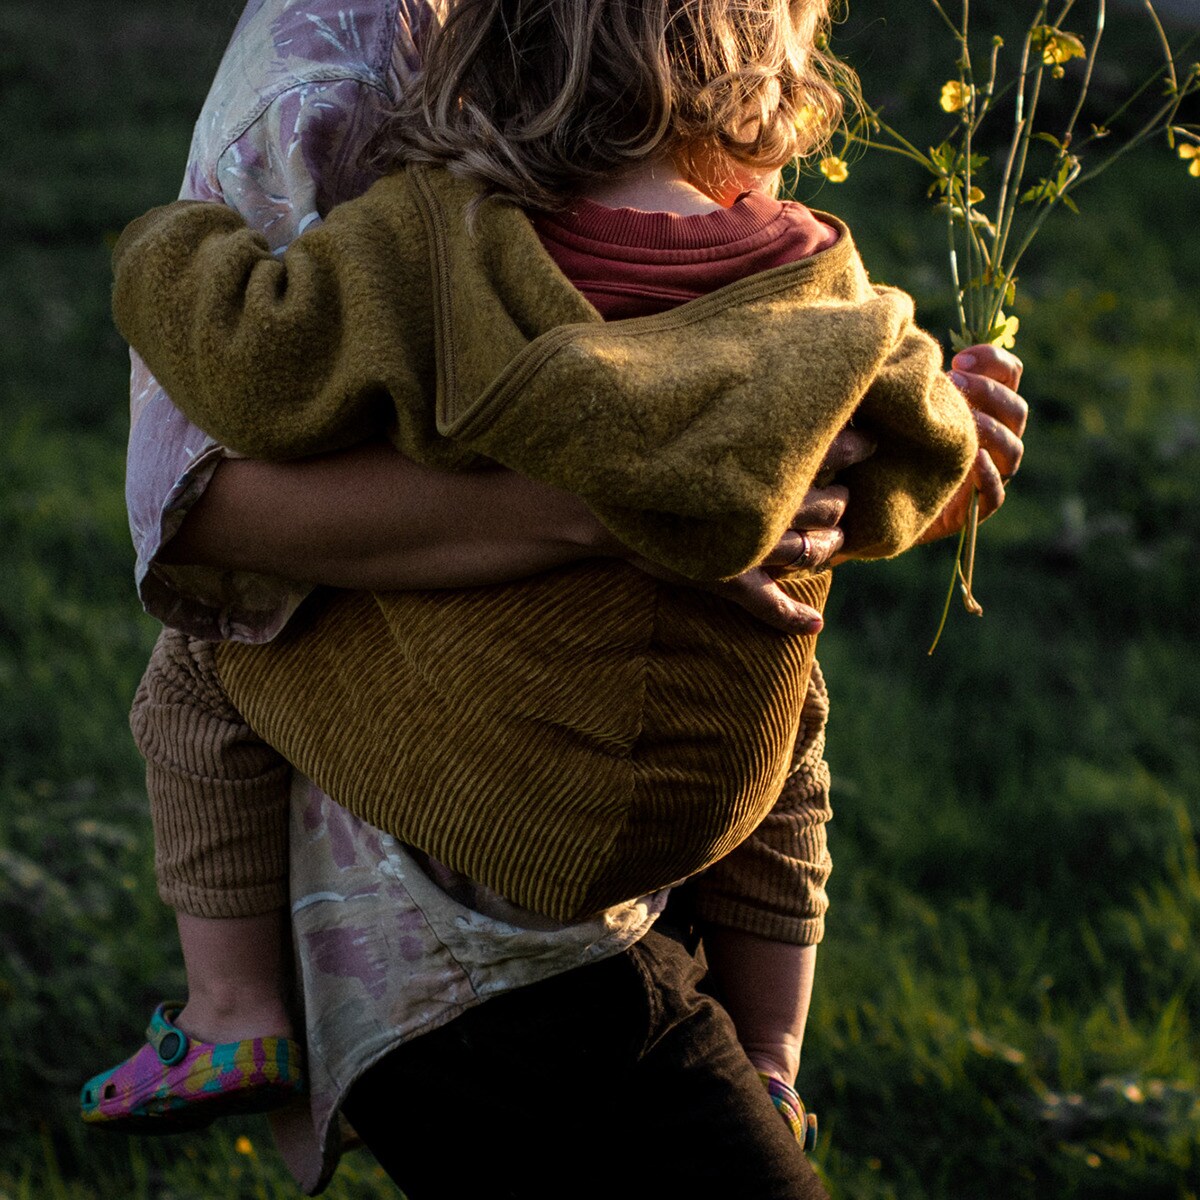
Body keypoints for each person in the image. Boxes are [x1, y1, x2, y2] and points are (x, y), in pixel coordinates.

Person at [83, 1, 1027, 1195]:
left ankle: (230, 1010)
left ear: (496, 71)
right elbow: (900, 472)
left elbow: (258, 359)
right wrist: (953, 451)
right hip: (660, 826)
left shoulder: (446, 252)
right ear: (766, 80)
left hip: (505, 816)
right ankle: (775, 1051)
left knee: (208, 662)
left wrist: (168, 251)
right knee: (797, 718)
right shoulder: (817, 276)